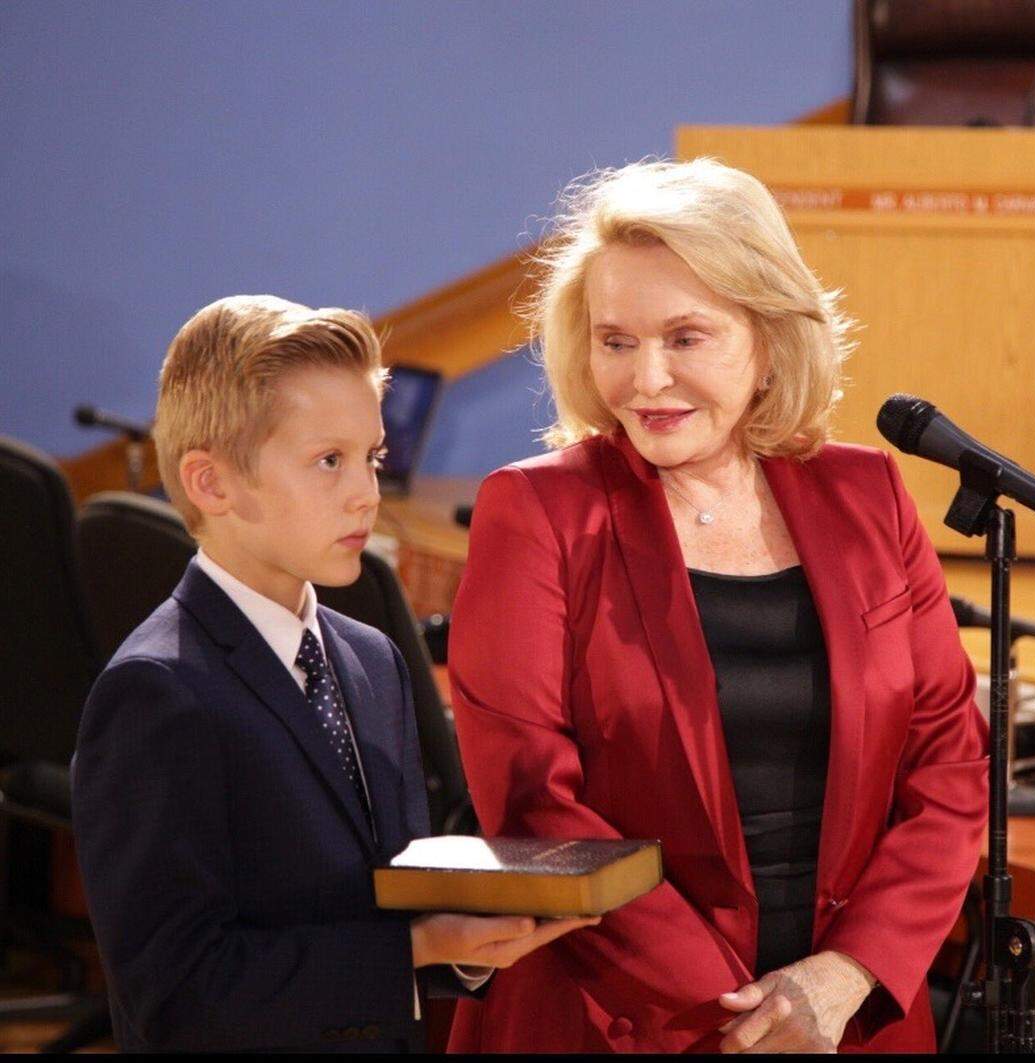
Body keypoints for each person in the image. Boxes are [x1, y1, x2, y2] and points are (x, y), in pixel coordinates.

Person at [446, 160, 988, 1053]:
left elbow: (950, 765)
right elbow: (536, 803)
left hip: (846, 1016)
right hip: (619, 1016)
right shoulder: (538, 511)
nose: (645, 380)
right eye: (615, 341)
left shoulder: (868, 493)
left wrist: (847, 974)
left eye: (686, 338)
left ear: (769, 337)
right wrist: (742, 1018)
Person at [71, 295, 596, 1053]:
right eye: (328, 461)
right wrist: (412, 949)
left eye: (372, 457)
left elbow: (384, 908)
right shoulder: (156, 693)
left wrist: (460, 944)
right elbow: (178, 995)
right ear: (212, 484)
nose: (367, 493)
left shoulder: (372, 658)